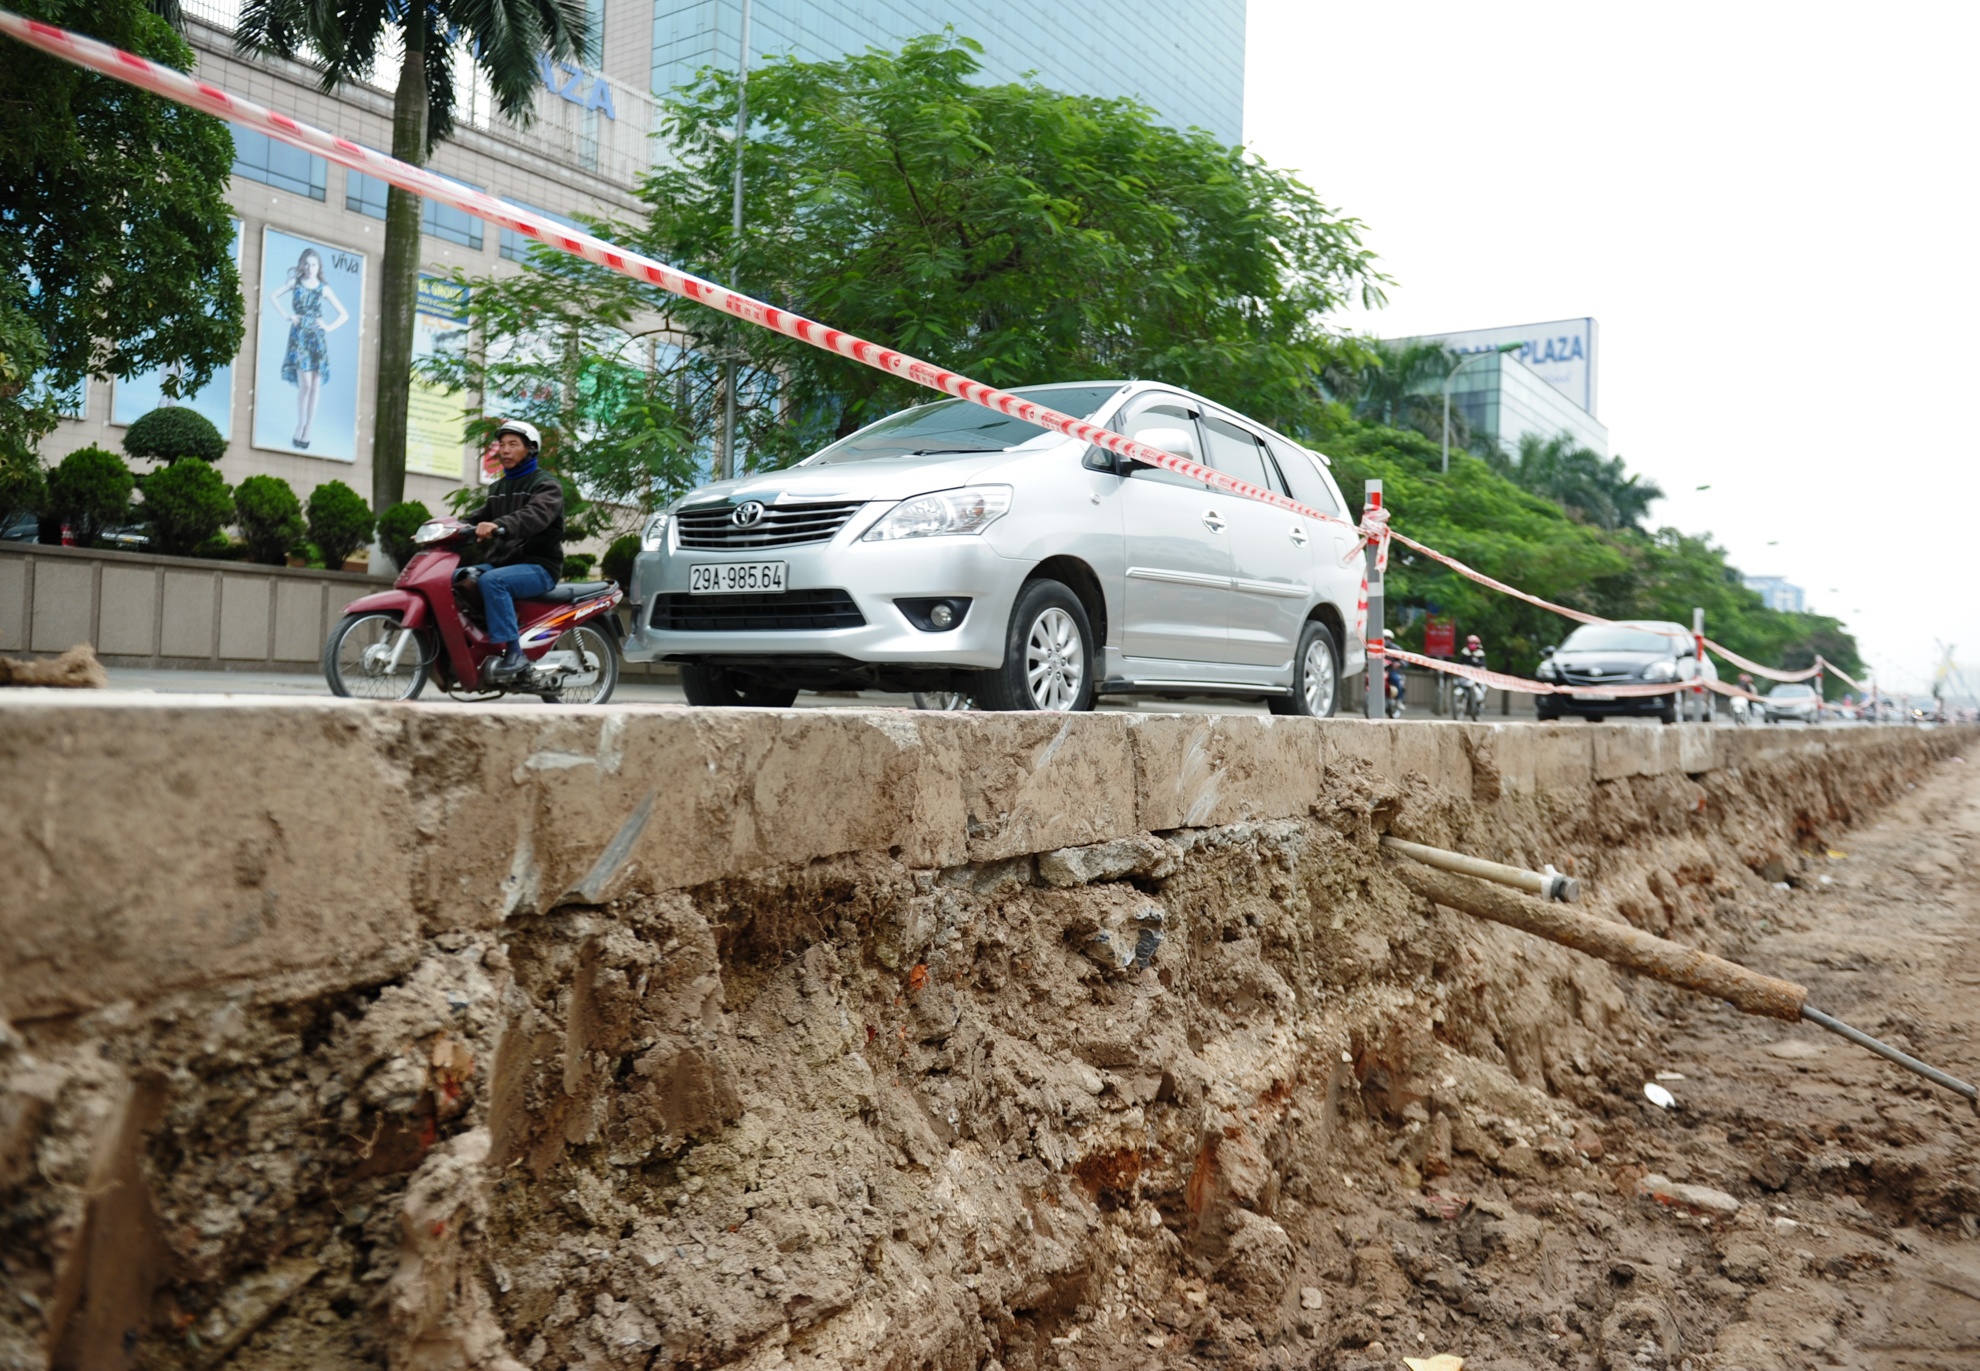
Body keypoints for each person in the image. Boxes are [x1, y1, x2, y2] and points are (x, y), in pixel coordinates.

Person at [462, 419, 564, 681]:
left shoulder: (546, 485)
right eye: (501, 445)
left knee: (492, 582)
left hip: (539, 566)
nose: (504, 450)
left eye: (512, 444)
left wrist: (498, 525)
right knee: (459, 578)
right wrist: (448, 527)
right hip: (504, 564)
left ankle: (514, 653)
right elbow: (476, 519)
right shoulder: (498, 488)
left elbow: (534, 516)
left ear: (530, 449)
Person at [269, 248, 349, 450]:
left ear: (319, 267)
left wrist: (329, 327)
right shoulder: (295, 284)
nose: (310, 268)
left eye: (313, 264)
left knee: (315, 386)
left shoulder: (323, 288)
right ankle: (300, 424)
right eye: (306, 264)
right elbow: (273, 296)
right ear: (302, 265)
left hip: (317, 338)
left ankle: (308, 429)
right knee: (305, 385)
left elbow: (344, 314)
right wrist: (288, 315)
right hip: (299, 337)